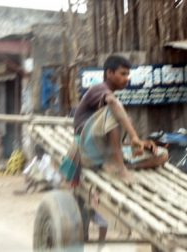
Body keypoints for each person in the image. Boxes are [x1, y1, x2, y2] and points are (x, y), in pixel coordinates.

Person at [60, 55, 168, 241]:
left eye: (128, 74)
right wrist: (134, 136)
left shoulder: (109, 98)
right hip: (85, 149)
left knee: (162, 154)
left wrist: (139, 143)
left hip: (102, 151)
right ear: (109, 73)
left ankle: (120, 162)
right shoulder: (99, 90)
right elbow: (113, 106)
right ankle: (118, 166)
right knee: (114, 111)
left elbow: (111, 135)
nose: (127, 78)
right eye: (123, 73)